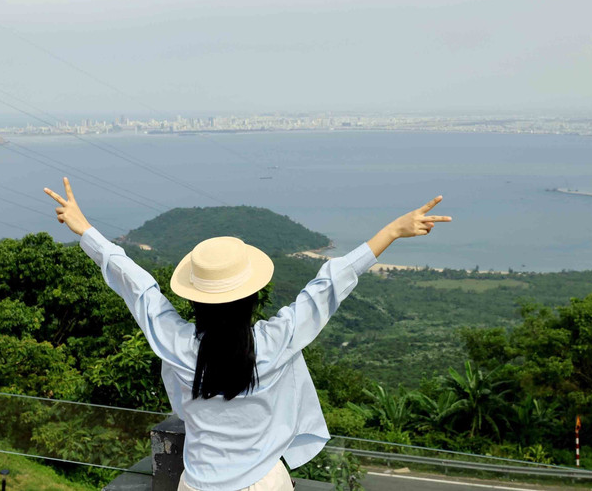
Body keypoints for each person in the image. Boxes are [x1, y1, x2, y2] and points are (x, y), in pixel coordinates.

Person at [44, 177, 451, 491]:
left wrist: (86, 231)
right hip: (264, 484)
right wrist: (393, 231)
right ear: (253, 297)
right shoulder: (276, 342)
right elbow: (330, 283)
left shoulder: (179, 346)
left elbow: (139, 287)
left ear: (195, 300)